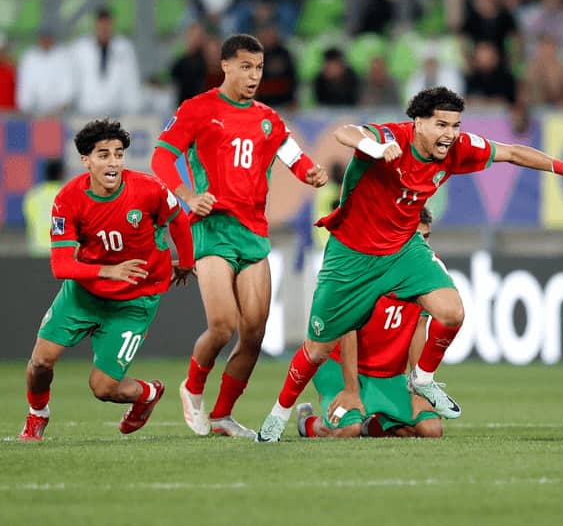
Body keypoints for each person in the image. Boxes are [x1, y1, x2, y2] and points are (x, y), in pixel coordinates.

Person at [255, 86, 563, 442]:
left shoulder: (457, 149)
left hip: (402, 248)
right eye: (441, 125)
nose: (450, 134)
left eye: (455, 125)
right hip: (351, 255)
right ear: (417, 123)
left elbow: (511, 152)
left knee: (452, 312)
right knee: (317, 349)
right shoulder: (391, 139)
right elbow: (346, 133)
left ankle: (423, 379)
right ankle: (279, 415)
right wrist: (376, 149)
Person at [151, 34, 328, 438]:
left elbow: (293, 156)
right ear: (226, 65)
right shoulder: (198, 109)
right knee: (222, 325)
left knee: (253, 333)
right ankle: (192, 388)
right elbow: (161, 157)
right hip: (212, 229)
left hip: (252, 233)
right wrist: (187, 197)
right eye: (246, 67)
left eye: (259, 68)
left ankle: (222, 415)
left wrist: (311, 173)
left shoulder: (267, 118)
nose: (253, 76)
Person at [18, 119, 195, 441]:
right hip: (83, 295)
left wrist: (185, 262)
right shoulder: (68, 199)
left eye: (118, 154)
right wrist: (107, 270)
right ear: (86, 160)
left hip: (133, 302)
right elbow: (61, 266)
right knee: (40, 362)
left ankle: (147, 394)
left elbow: (179, 220)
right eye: (103, 155)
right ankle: (37, 415)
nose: (113, 162)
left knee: (104, 388)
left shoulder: (149, 188)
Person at [296, 208, 442, 439]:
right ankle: (308, 422)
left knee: (430, 429)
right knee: (347, 429)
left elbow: (419, 328)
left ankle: (372, 424)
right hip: (340, 368)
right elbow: (348, 329)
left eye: (426, 237)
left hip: (387, 377)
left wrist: (418, 391)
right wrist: (351, 390)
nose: (422, 246)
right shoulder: (366, 262)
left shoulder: (429, 268)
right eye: (415, 237)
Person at [23, 159, 65, 258]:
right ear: (61, 174)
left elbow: (30, 222)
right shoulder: (67, 194)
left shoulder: (33, 195)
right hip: (60, 253)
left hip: (36, 250)